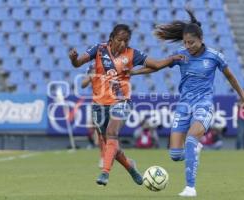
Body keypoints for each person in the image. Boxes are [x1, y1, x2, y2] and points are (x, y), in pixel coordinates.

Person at [130, 9, 244, 197]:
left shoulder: (214, 56)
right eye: (185, 42)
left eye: (191, 42)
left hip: (204, 104)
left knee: (191, 139)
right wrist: (132, 72)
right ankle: (194, 150)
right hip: (183, 105)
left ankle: (190, 187)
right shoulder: (181, 54)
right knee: (175, 155)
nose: (188, 46)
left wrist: (243, 98)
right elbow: (156, 67)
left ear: (201, 39)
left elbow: (231, 78)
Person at [68, 24, 183, 186]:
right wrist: (73, 58)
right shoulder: (99, 49)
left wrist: (171, 59)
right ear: (112, 38)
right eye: (120, 40)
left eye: (126, 41)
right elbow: (78, 63)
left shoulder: (132, 54)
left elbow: (155, 65)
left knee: (112, 133)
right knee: (111, 145)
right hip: (99, 104)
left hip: (122, 101)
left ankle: (105, 173)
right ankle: (131, 168)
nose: (123, 44)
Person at [81, 62, 106, 168]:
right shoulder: (92, 66)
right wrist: (92, 75)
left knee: (110, 132)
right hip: (98, 104)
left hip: (111, 102)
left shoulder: (109, 65)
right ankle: (103, 157)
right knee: (100, 133)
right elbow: (83, 84)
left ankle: (110, 155)